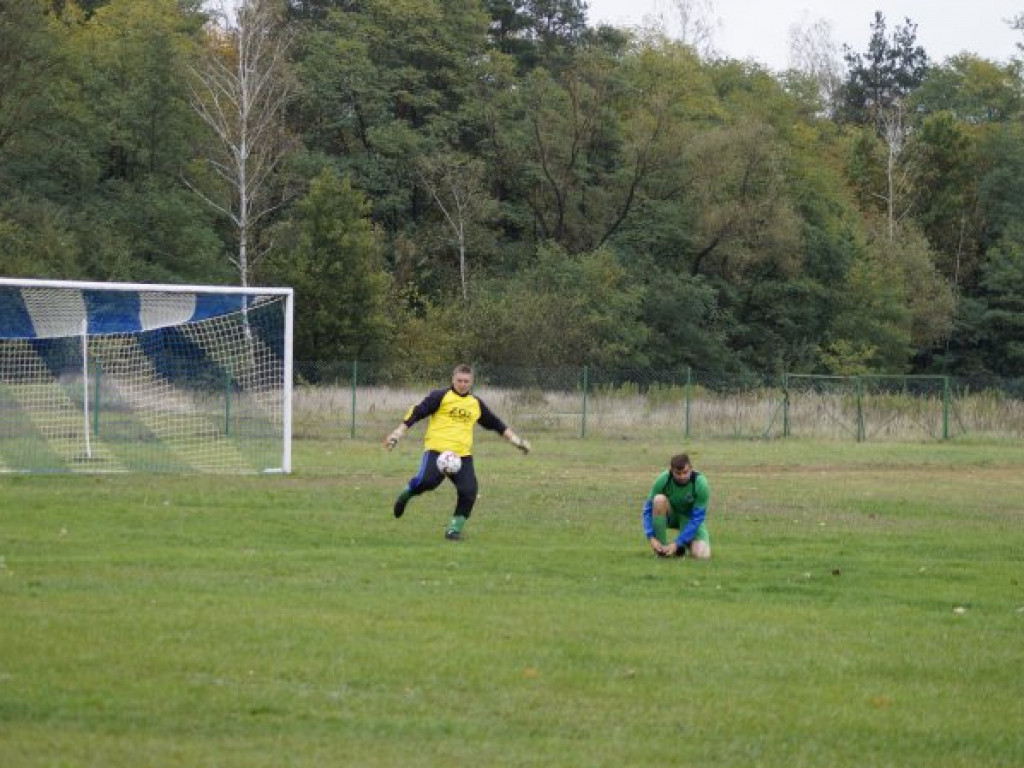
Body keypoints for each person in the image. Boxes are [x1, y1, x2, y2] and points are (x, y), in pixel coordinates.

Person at [384, 364, 531, 540]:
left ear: (471, 382)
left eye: (466, 381)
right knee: (427, 482)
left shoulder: (475, 404)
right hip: (437, 451)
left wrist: (517, 441)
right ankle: (407, 493)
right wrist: (398, 433)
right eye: (459, 380)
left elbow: (495, 423)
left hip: (462, 456)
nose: (462, 384)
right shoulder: (440, 396)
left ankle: (453, 530)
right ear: (453, 380)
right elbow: (417, 412)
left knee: (469, 490)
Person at [641, 453, 712, 559]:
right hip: (671, 515)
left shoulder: (701, 483)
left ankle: (681, 547)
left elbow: (697, 518)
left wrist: (677, 543)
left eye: (685, 472)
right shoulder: (663, 480)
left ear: (691, 469)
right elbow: (647, 510)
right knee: (659, 499)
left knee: (703, 556)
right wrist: (651, 537)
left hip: (689, 520)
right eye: (678, 473)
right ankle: (661, 551)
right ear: (671, 471)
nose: (682, 476)